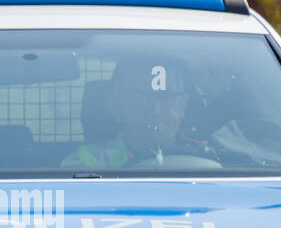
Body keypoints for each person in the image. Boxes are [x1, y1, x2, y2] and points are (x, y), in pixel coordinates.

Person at [62, 58, 209, 168]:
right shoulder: (83, 163)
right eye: (141, 98)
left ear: (183, 105)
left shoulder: (209, 155)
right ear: (114, 106)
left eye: (165, 97)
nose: (155, 109)